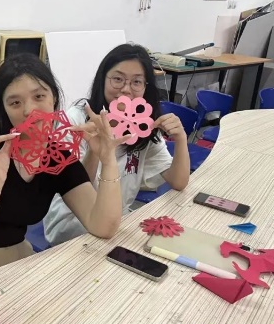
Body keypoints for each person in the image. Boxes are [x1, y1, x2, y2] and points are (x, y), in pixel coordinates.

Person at [0, 54, 130, 289]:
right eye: (15, 103)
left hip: (12, 262)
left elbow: (103, 226)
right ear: (3, 109)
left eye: (39, 96)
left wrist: (107, 159)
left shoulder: (57, 156)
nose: (29, 110)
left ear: (54, 98)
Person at [44, 43, 190, 246]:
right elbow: (75, 188)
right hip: (73, 223)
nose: (126, 90)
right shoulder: (77, 120)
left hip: (117, 220)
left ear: (145, 87)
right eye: (118, 79)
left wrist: (181, 139)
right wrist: (96, 151)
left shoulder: (142, 125)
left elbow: (178, 181)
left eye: (136, 82)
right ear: (103, 79)